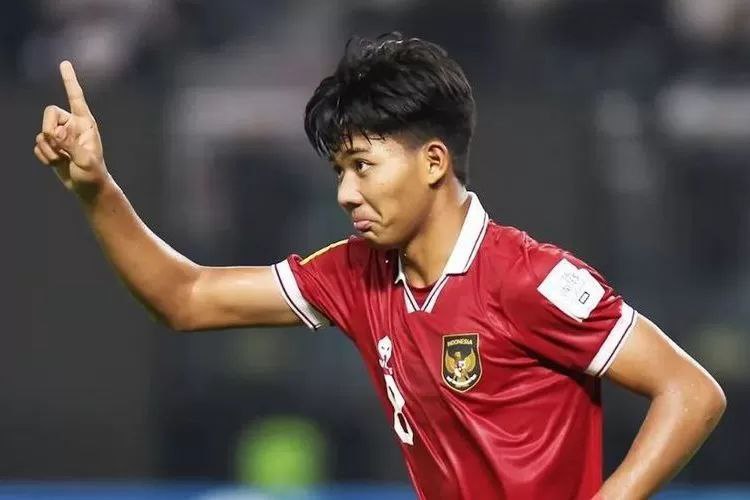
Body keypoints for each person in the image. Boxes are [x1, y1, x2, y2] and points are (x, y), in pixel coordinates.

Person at [33, 33, 725, 500]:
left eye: (362, 166)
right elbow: (186, 297)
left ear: (433, 162)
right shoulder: (354, 274)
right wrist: (96, 189)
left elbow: (692, 392)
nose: (345, 192)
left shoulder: (528, 277)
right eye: (339, 170)